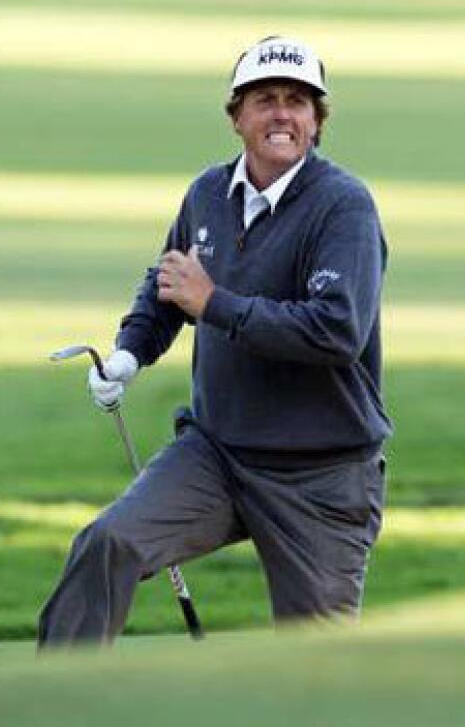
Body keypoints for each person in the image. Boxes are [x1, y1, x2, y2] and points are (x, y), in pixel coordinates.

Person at [37, 35, 392, 646]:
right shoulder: (208, 193)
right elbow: (168, 284)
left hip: (322, 474)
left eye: (298, 102)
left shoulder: (343, 207)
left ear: (317, 121)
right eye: (265, 100)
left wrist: (216, 305)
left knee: (317, 669)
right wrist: (130, 351)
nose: (282, 113)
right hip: (219, 456)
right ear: (237, 116)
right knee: (108, 543)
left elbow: (335, 330)